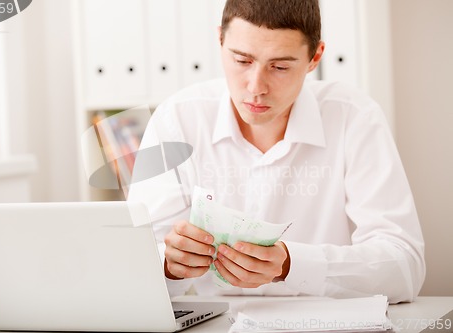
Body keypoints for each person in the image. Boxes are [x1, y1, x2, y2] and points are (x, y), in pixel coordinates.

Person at [127, 0, 425, 303]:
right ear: (220, 40)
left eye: (280, 67)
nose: (256, 87)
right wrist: (169, 265)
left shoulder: (354, 117)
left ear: (314, 57)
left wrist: (291, 264)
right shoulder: (176, 120)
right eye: (242, 61)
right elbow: (131, 273)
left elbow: (405, 266)